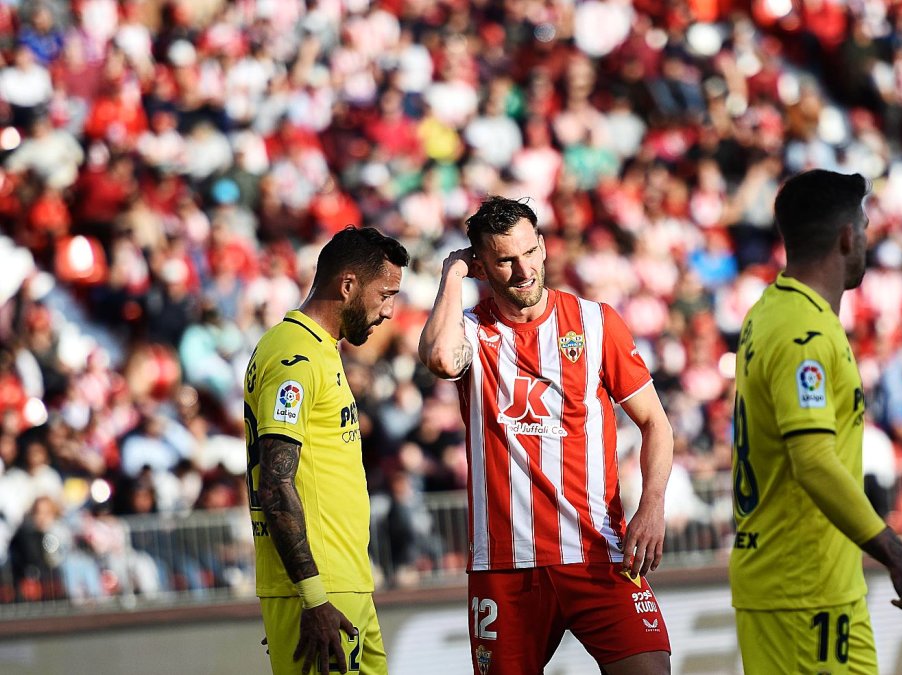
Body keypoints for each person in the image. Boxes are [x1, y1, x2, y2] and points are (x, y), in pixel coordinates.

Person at [419, 197, 673, 675]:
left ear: (543, 247)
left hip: (598, 552)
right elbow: (437, 358)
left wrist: (652, 504)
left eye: (530, 252)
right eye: (505, 260)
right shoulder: (471, 332)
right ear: (482, 265)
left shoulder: (596, 323)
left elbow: (656, 422)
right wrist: (451, 274)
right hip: (503, 565)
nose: (523, 270)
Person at [730, 169, 902, 674]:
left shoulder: (771, 311)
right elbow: (813, 462)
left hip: (799, 583)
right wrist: (898, 556)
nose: (867, 236)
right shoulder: (803, 331)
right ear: (848, 236)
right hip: (805, 588)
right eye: (866, 225)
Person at [244, 226, 409, 675]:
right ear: (349, 284)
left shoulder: (319, 350)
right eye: (386, 294)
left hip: (345, 585)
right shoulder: (294, 355)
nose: (390, 311)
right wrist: (310, 597)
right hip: (324, 590)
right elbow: (275, 483)